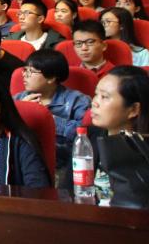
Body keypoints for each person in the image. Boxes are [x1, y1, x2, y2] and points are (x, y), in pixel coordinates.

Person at [13, 49, 91, 186]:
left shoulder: (77, 101)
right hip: (24, 163)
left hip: (63, 164)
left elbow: (84, 135)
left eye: (31, 71)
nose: (24, 75)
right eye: (24, 70)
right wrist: (21, 111)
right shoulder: (18, 99)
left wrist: (46, 117)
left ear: (51, 78)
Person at [89, 66, 149, 204]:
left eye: (104, 97)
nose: (94, 102)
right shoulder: (87, 138)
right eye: (96, 94)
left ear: (134, 109)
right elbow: (70, 191)